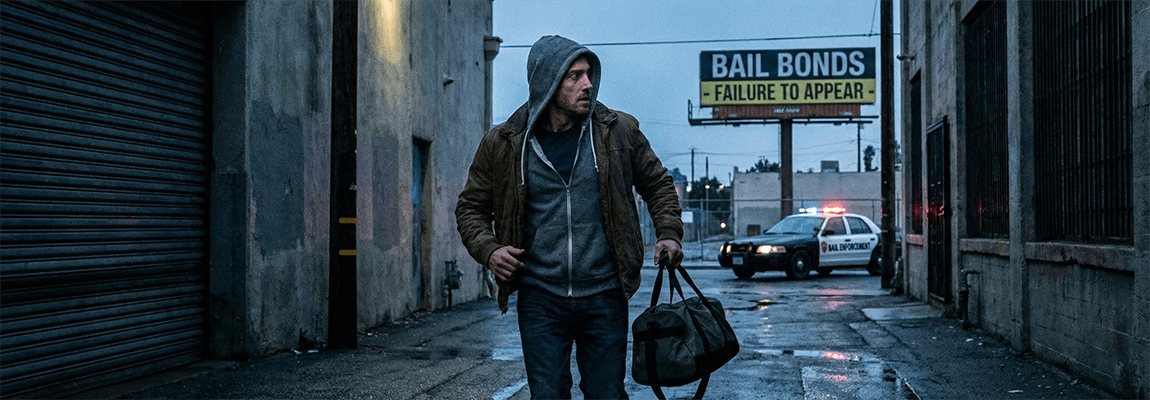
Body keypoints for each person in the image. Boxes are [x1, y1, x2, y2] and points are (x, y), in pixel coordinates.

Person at [455, 35, 684, 399]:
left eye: (589, 74)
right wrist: (489, 250)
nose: (588, 84)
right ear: (548, 82)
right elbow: (471, 208)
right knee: (547, 395)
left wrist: (669, 233)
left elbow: (657, 184)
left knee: (606, 394)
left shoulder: (617, 131)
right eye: (575, 76)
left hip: (605, 293)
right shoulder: (505, 143)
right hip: (540, 296)